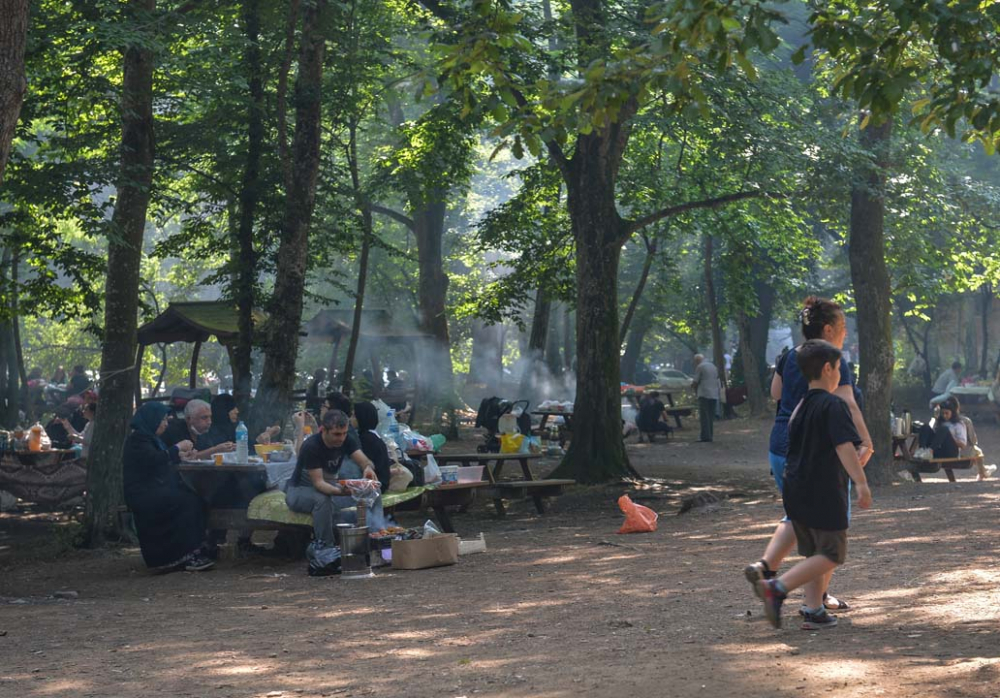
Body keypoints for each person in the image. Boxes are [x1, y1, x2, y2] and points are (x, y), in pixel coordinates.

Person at [745, 296, 873, 611]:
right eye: (843, 328)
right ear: (828, 329)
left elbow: (775, 393)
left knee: (800, 517)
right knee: (828, 528)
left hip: (780, 446)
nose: (845, 334)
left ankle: (768, 567)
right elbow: (849, 404)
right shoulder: (832, 361)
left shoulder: (790, 355)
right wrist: (867, 442)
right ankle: (811, 602)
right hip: (819, 453)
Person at [122, 402, 214, 572]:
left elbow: (163, 458)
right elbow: (154, 460)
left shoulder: (151, 439)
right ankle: (180, 556)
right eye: (162, 420)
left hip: (156, 488)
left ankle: (196, 549)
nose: (165, 424)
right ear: (151, 420)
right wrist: (177, 447)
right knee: (187, 502)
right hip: (144, 493)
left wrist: (181, 456)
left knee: (196, 498)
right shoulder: (138, 440)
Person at [284, 409, 381, 543]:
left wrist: (368, 469)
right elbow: (318, 484)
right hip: (299, 492)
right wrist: (344, 492)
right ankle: (326, 548)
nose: (341, 438)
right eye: (336, 434)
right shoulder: (312, 446)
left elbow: (364, 461)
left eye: (344, 433)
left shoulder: (346, 440)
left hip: (330, 488)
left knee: (373, 489)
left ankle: (377, 536)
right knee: (322, 500)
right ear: (323, 430)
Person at [161, 399, 232, 460]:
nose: (209, 422)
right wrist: (215, 450)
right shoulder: (174, 431)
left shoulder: (206, 432)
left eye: (210, 417)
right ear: (188, 419)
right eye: (204, 418)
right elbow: (187, 457)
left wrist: (227, 448)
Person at [206, 393, 280, 446]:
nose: (237, 411)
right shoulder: (210, 430)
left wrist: (267, 434)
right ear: (223, 410)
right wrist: (258, 441)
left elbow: (247, 446)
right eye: (232, 408)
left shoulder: (234, 428)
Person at [354, 401, 392, 494]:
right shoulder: (372, 435)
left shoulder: (366, 439)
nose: (351, 419)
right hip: (381, 482)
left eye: (354, 416)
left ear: (361, 418)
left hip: (376, 485)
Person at [692, 354, 720, 442]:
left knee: (704, 416)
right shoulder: (713, 366)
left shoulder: (700, 367)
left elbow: (695, 382)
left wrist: (692, 386)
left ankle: (705, 436)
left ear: (697, 360)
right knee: (710, 416)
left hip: (704, 393)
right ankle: (710, 435)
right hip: (714, 393)